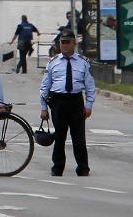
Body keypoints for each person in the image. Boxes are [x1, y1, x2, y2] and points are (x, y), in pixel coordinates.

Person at [39, 28, 96, 177]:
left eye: (66, 42)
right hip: (58, 102)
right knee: (59, 137)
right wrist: (43, 108)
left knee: (79, 138)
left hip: (76, 101)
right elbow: (45, 86)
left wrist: (88, 105)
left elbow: (90, 86)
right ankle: (57, 167)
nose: (63, 45)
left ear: (73, 43)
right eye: (61, 42)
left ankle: (83, 168)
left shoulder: (83, 62)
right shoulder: (53, 62)